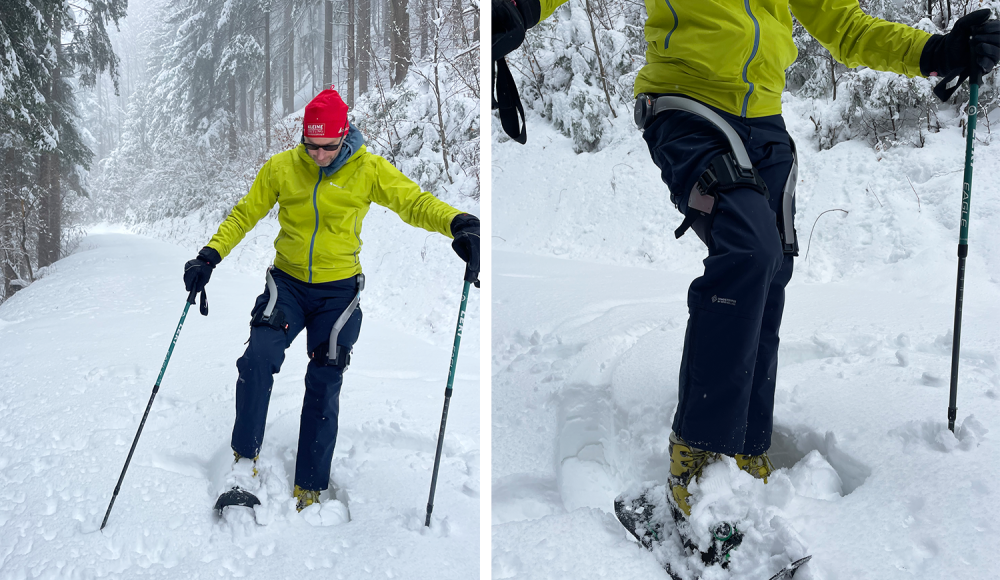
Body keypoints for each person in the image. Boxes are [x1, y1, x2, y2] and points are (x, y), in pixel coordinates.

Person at [495, 0, 999, 555]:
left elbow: (846, 26)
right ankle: (697, 464)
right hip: (686, 109)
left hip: (763, 122)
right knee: (749, 251)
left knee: (772, 267)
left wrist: (936, 52)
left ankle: (745, 450)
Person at [183, 87, 480, 511]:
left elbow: (412, 202)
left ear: (345, 136)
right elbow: (244, 213)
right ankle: (243, 459)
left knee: (325, 375)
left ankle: (310, 484)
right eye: (311, 146)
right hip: (287, 285)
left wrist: (458, 222)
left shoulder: (368, 170)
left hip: (338, 292)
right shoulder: (282, 168)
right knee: (257, 358)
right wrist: (209, 255)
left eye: (328, 147)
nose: (318, 155)